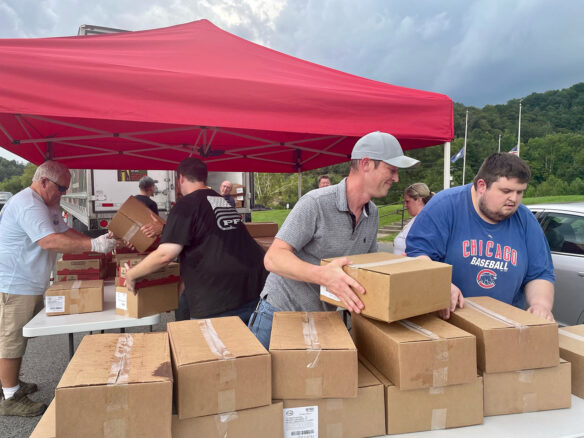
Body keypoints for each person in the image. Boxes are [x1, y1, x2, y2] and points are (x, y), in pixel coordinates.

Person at [249, 131, 419, 349]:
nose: (396, 178)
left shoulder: (372, 213)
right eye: (392, 170)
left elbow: (365, 267)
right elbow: (273, 258)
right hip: (279, 314)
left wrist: (395, 267)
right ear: (366, 164)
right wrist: (324, 276)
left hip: (323, 319)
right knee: (260, 382)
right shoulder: (315, 203)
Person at [0, 161, 117, 417]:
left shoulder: (47, 204)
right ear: (44, 182)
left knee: (18, 337)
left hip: (30, 281)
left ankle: (12, 385)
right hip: (16, 282)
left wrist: (96, 241)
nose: (63, 193)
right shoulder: (28, 204)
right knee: (11, 340)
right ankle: (9, 395)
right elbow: (49, 240)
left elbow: (64, 230)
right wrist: (93, 246)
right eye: (61, 188)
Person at [406, 153, 555, 321]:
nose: (513, 199)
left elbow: (540, 274)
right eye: (506, 191)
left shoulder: (526, 220)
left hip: (504, 327)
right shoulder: (445, 206)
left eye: (519, 192)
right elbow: (417, 254)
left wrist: (540, 305)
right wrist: (439, 285)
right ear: (482, 186)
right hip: (448, 323)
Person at [123, 158, 267, 324]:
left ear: (181, 178)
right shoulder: (220, 201)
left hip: (218, 299)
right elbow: (207, 238)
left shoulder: (186, 205)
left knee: (211, 348)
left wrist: (132, 274)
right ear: (204, 177)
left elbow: (165, 255)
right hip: (252, 291)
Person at [393, 183, 434, 255]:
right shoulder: (416, 220)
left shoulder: (424, 223)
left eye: (407, 201)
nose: (405, 205)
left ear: (418, 200)